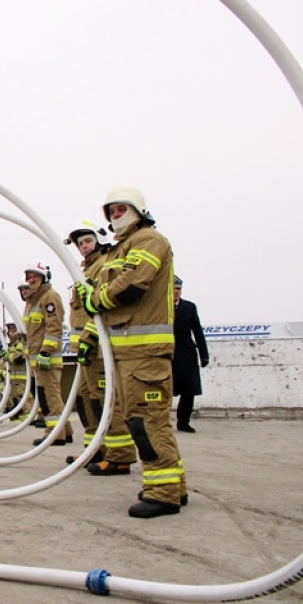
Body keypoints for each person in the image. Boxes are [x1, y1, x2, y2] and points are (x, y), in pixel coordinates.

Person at [77, 186, 186, 518]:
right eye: (110, 211)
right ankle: (173, 486)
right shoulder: (122, 248)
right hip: (127, 354)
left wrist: (95, 300)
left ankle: (163, 493)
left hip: (145, 354)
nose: (115, 215)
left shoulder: (148, 241)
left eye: (121, 209)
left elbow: (132, 285)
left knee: (146, 422)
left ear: (138, 210)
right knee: (142, 420)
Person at [63, 220, 113, 467]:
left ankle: (115, 453)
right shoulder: (85, 271)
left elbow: (102, 309)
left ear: (99, 241)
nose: (83, 247)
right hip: (85, 348)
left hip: (98, 348)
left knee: (101, 400)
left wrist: (90, 338)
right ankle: (93, 449)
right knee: (86, 399)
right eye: (80, 243)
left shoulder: (103, 266)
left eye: (88, 241)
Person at [23, 260, 73, 446]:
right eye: (29, 277)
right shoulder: (33, 301)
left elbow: (54, 327)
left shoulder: (49, 297)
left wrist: (45, 352)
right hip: (38, 358)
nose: (31, 280)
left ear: (44, 278)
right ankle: (66, 431)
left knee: (50, 397)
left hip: (47, 358)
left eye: (34, 276)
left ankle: (55, 433)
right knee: (51, 396)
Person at [172, 276, 209, 432]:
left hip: (186, 354)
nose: (176, 292)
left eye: (178, 289)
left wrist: (204, 354)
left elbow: (197, 332)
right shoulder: (160, 308)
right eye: (173, 289)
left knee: (189, 390)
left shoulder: (190, 307)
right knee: (164, 390)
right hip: (167, 353)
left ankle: (183, 422)